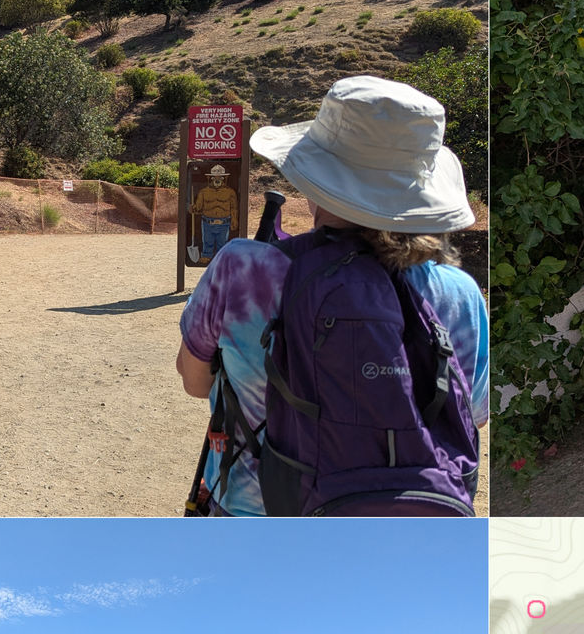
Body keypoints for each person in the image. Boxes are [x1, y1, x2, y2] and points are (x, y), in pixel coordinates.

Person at [176, 76, 488, 517]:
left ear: (316, 179)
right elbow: (468, 415)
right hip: (404, 525)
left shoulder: (244, 269)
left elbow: (196, 382)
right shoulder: (461, 294)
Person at [191, 164, 237, 261]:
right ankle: (207, 256)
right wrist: (193, 208)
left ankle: (221, 260)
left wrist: (234, 220)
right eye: (215, 177)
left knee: (222, 243)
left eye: (220, 177)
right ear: (210, 178)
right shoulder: (203, 192)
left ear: (224, 178)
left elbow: (234, 208)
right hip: (207, 223)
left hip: (224, 223)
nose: (217, 179)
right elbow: (198, 207)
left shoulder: (230, 192)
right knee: (207, 242)